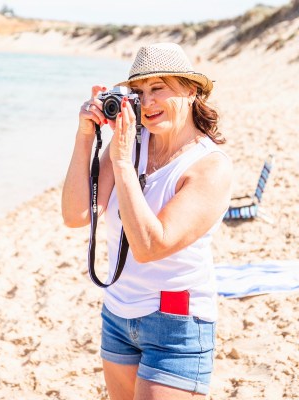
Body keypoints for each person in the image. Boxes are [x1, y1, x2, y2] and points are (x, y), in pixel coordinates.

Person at [61, 42, 232, 400]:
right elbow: (76, 215)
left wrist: (123, 164)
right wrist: (85, 135)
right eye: (138, 92)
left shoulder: (208, 166)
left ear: (190, 91)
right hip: (117, 313)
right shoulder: (129, 144)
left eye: (158, 88)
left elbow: (150, 246)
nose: (148, 102)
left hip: (177, 325)